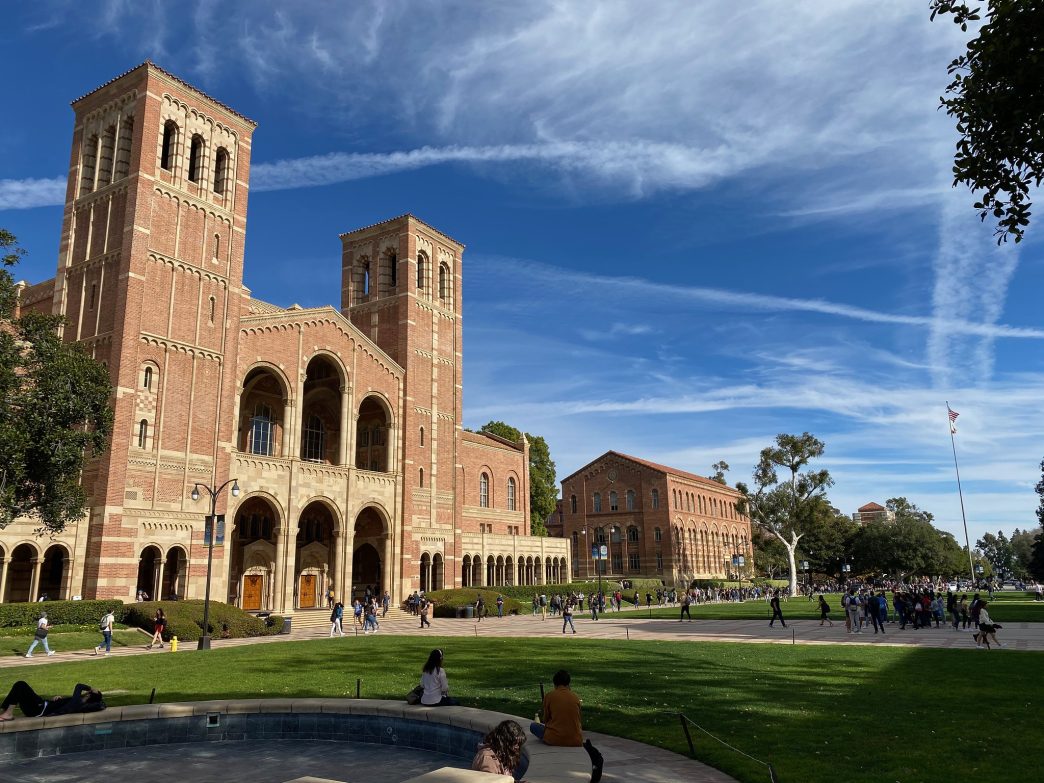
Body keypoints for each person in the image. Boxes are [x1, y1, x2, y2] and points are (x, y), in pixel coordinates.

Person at [530, 670, 603, 783]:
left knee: (533, 726)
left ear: (555, 683)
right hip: (576, 740)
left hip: (554, 738)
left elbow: (546, 719)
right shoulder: (575, 697)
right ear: (568, 683)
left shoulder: (550, 696)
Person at [0, 681, 104, 721]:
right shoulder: (77, 702)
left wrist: (91, 688)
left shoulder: (78, 702)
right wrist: (57, 700)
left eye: (90, 691)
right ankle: (5, 712)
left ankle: (8, 714)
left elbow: (79, 686)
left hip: (38, 709)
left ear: (89, 694)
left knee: (21, 685)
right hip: (41, 705)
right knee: (19, 686)